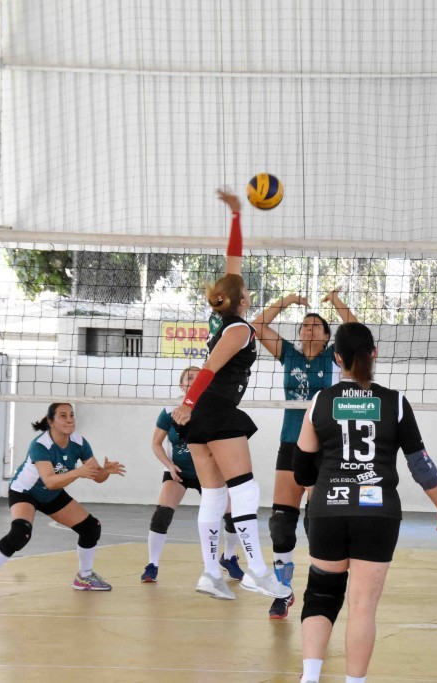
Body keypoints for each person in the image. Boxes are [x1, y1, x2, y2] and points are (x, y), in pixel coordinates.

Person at [293, 322, 437, 683]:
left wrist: (311, 490)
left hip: (328, 509)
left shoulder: (321, 400)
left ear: (337, 358)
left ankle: (309, 678)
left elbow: (301, 463)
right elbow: (420, 464)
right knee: (362, 606)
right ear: (374, 353)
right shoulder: (394, 401)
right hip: (377, 512)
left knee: (321, 594)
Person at [172, 188, 291, 602]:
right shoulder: (239, 329)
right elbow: (206, 370)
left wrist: (238, 218)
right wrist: (187, 404)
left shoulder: (217, 316)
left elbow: (232, 265)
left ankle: (210, 573)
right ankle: (257, 570)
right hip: (215, 411)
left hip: (206, 414)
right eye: (248, 293)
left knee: (216, 493)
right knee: (244, 489)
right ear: (243, 299)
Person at [251, 288, 359, 618]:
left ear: (328, 336)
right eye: (304, 325)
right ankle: (283, 591)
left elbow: (356, 333)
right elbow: (257, 325)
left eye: (316, 325)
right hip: (290, 444)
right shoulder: (290, 356)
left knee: (316, 524)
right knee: (281, 524)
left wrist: (336, 302)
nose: (308, 328)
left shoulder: (333, 359)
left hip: (325, 448)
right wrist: (288, 301)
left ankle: (321, 585)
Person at [0, 403, 126, 597]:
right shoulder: (41, 445)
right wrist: (78, 472)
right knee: (20, 533)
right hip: (26, 492)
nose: (69, 419)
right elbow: (49, 481)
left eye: (72, 415)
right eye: (63, 416)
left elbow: (97, 477)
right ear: (51, 422)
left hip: (52, 494)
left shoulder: (79, 442)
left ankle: (84, 576)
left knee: (91, 527)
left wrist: (105, 471)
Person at [141, 366, 244, 584]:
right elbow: (156, 443)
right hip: (179, 472)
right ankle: (152, 565)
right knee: (162, 514)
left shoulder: (215, 410)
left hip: (208, 472)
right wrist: (169, 465)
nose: (194, 382)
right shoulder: (170, 410)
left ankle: (228, 558)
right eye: (189, 378)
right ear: (182, 385)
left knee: (232, 516)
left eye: (199, 379)